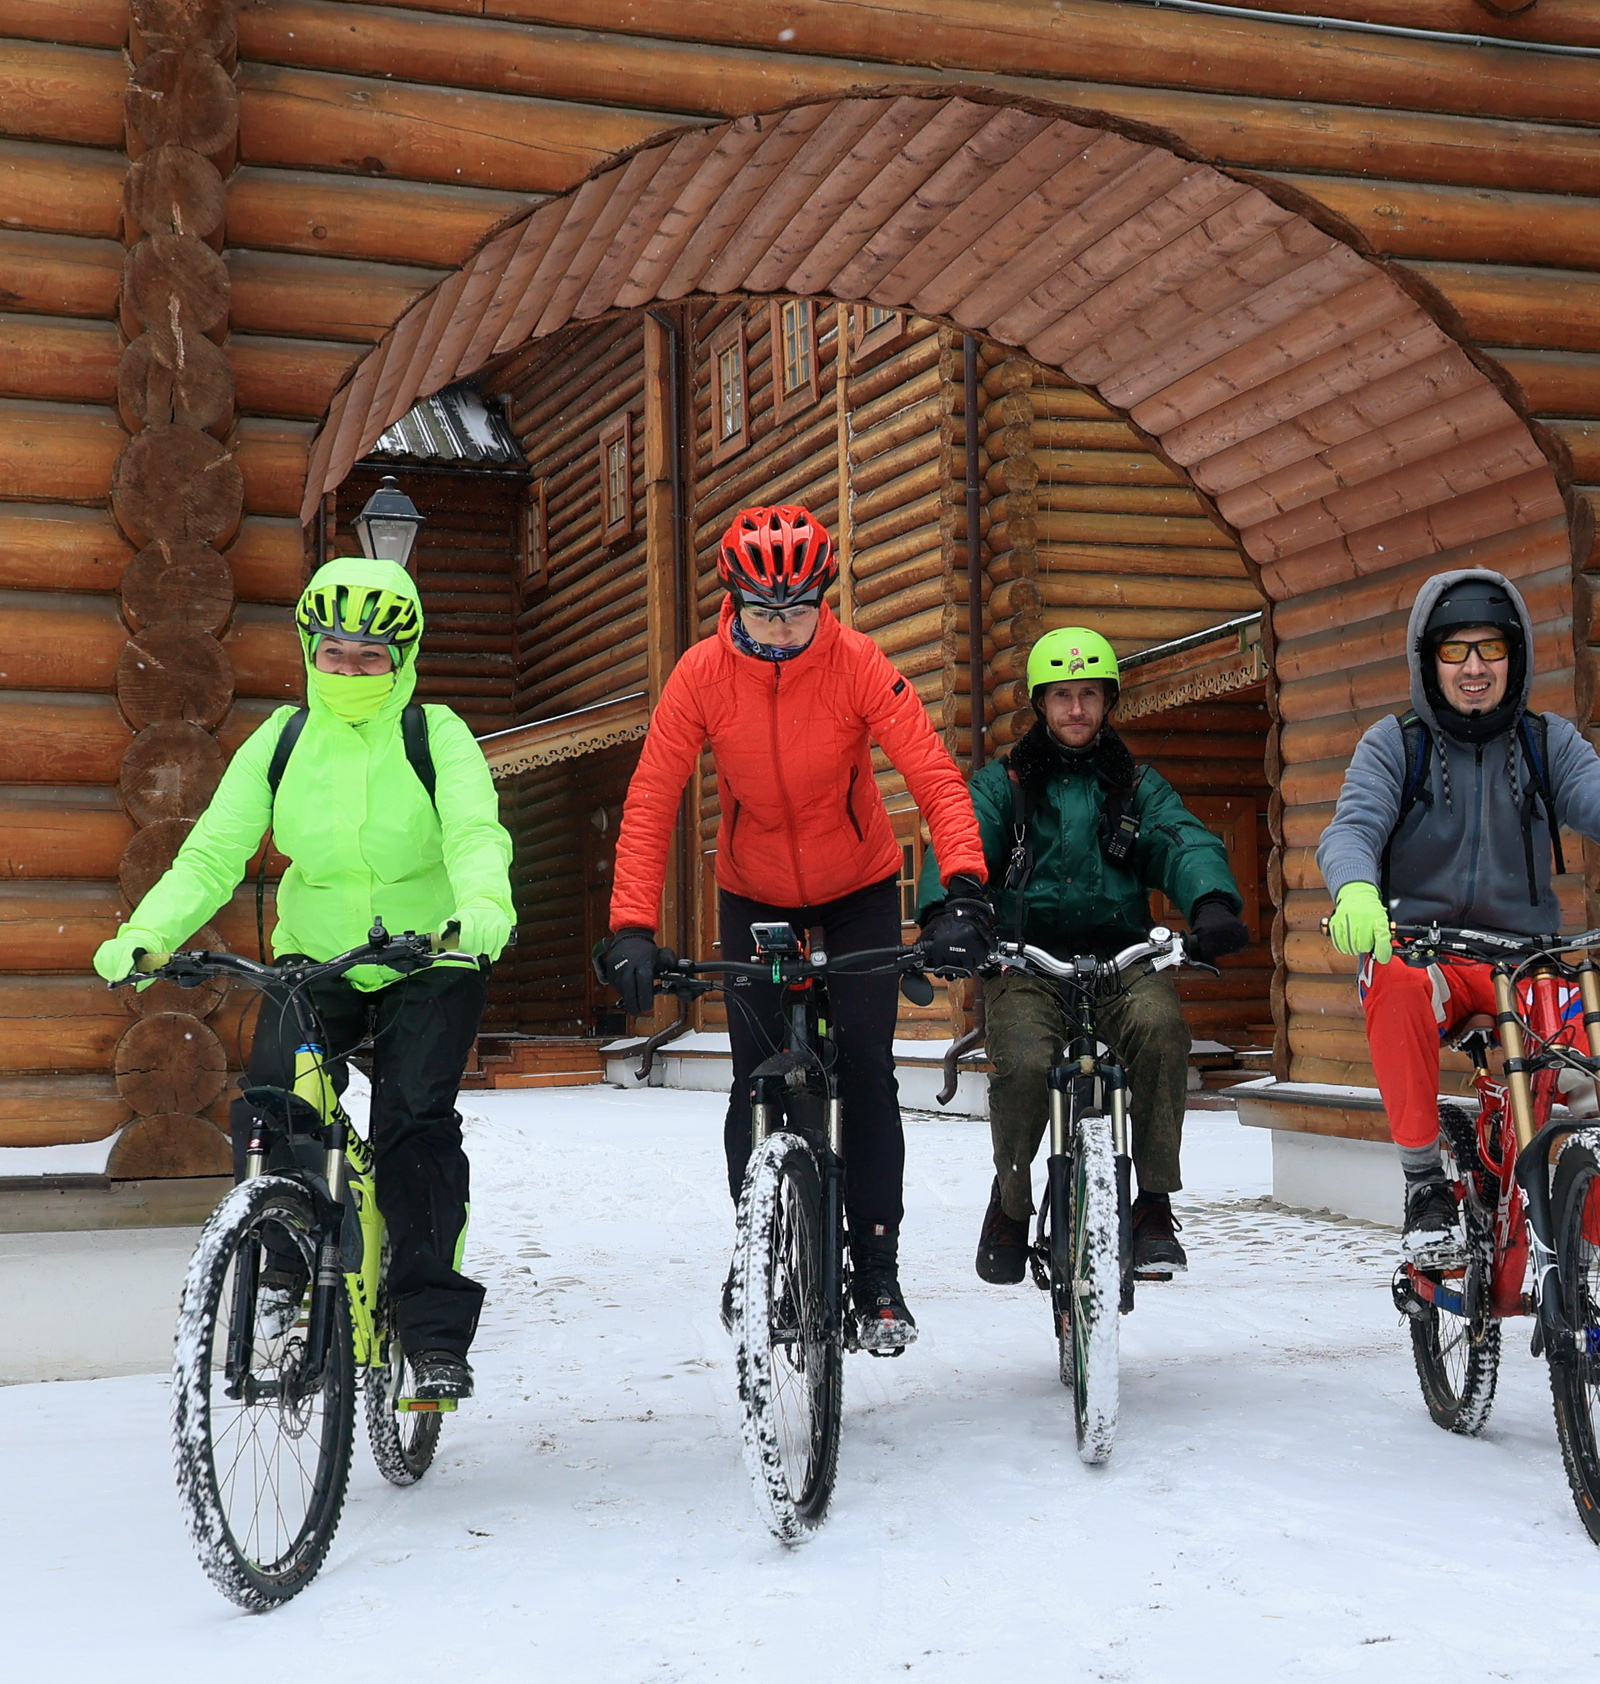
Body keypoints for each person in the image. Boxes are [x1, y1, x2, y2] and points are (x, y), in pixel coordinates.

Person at [93, 556, 515, 1402]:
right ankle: (284, 1277)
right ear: (308, 650)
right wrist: (148, 932)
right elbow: (215, 851)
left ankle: (432, 1337)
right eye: (333, 651)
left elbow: (476, 832)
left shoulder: (435, 735)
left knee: (412, 1126)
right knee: (275, 1100)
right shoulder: (282, 740)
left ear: (404, 658)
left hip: (429, 958)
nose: (348, 668)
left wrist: (481, 909)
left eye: (370, 656)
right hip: (317, 961)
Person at [597, 505, 991, 1353]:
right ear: (733, 600)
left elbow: (934, 775)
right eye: (762, 611)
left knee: (870, 1073)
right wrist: (631, 923)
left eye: (797, 610)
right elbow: (651, 800)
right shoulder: (700, 675)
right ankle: (755, 1245)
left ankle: (877, 1273)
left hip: (858, 888)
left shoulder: (857, 665)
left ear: (824, 600)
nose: (779, 630)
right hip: (754, 891)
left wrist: (960, 889)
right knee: (754, 1080)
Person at [1316, 569, 1600, 1265]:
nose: (1472, 668)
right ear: (1426, 661)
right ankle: (1424, 1185)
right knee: (1395, 981)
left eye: (1489, 649)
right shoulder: (1392, 745)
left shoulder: (1544, 744)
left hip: (1525, 962)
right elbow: (1351, 829)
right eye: (1453, 651)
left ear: (1514, 658)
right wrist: (1355, 892)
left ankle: (1585, 1268)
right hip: (1425, 953)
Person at [914, 627, 1252, 1285]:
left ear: (1107, 703)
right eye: (1063, 696)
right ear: (1042, 703)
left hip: (1123, 959)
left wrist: (1210, 901)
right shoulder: (1004, 785)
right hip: (1026, 963)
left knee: (1160, 1035)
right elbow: (961, 841)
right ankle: (1010, 1205)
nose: (1076, 710)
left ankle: (1153, 1203)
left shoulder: (1134, 785)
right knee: (1020, 1063)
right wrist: (950, 913)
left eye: (1089, 696)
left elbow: (1181, 840)